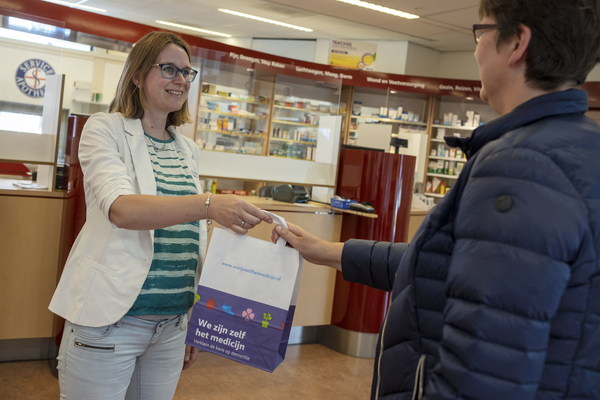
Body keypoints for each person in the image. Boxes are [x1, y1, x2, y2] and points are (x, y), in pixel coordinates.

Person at [273, 1, 600, 399]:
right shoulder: (582, 148)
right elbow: (441, 268)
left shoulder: (519, 167)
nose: (477, 49)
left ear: (517, 44)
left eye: (481, 32)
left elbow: (485, 365)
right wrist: (326, 251)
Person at [49, 31, 272, 400]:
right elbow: (122, 209)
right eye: (169, 69)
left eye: (187, 72)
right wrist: (209, 204)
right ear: (137, 75)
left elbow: (190, 236)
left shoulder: (187, 148)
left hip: (172, 326)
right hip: (112, 323)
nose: (181, 79)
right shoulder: (105, 130)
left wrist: (195, 321)